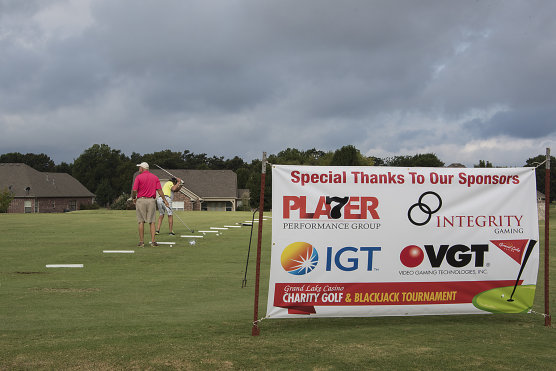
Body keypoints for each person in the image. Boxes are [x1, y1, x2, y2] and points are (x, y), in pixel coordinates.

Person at [131, 162, 169, 247]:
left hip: (141, 200)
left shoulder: (138, 177)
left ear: (142, 168)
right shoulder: (155, 177)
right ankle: (153, 242)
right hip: (151, 201)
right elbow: (159, 190)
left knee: (141, 221)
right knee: (152, 222)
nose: (138, 169)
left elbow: (134, 190)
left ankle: (141, 242)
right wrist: (165, 200)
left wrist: (134, 198)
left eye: (139, 167)